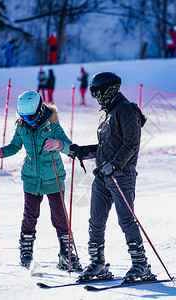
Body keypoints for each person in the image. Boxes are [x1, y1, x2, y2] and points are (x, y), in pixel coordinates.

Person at [68, 72, 151, 283]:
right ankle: (98, 264)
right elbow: (104, 147)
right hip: (103, 176)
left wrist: (114, 165)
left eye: (97, 92)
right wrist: (83, 151)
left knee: (125, 220)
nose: (95, 97)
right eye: (92, 93)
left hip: (121, 176)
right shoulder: (106, 113)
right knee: (96, 221)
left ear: (109, 89)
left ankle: (140, 264)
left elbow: (132, 144)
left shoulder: (126, 110)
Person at [0, 90, 81, 271]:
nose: (27, 119)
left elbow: (70, 147)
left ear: (39, 110)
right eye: (23, 116)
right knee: (30, 216)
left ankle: (66, 255)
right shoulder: (22, 126)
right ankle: (26, 252)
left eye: (30, 116)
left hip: (53, 176)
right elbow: (14, 146)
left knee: (60, 217)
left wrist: (57, 144)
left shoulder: (52, 124)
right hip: (31, 177)